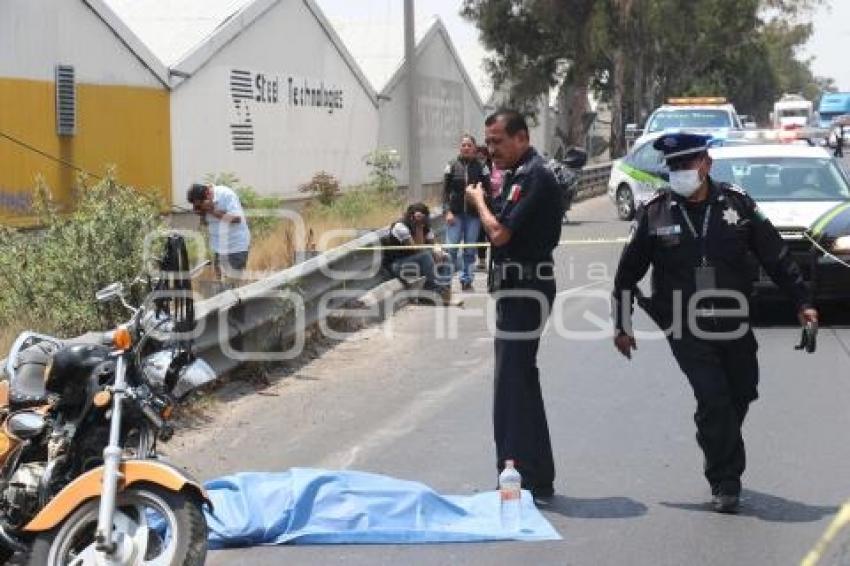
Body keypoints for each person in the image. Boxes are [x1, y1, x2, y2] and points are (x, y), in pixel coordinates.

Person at [611, 132, 819, 513]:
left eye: (686, 165)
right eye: (672, 167)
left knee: (742, 391)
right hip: (683, 323)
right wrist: (621, 325)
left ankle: (714, 436)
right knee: (713, 396)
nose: (678, 173)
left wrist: (802, 301)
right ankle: (725, 479)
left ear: (706, 164)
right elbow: (627, 274)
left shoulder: (737, 205)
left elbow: (775, 255)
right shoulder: (655, 212)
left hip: (733, 318)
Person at [465, 109, 563, 502]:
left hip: (526, 289)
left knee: (510, 385)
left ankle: (515, 474)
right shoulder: (515, 176)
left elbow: (500, 233)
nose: (492, 149)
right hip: (516, 289)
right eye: (488, 142)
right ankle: (535, 475)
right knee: (521, 382)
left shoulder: (533, 175)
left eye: (499, 141)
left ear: (522, 138)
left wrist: (477, 201)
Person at [443, 134, 491, 291]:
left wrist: (483, 202)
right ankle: (445, 282)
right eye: (463, 145)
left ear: (475, 148)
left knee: (470, 249)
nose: (466, 148)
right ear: (460, 148)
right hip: (455, 214)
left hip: (473, 215)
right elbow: (444, 192)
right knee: (450, 249)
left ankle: (467, 279)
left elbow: (488, 190)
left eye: (469, 145)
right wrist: (447, 211)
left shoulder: (482, 166)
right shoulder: (451, 165)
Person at [381, 202, 451, 304]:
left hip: (415, 263)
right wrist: (419, 226)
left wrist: (438, 250)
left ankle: (434, 293)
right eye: (419, 217)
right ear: (411, 216)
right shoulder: (400, 227)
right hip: (397, 265)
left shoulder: (425, 226)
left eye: (424, 217)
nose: (422, 220)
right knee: (425, 256)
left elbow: (434, 242)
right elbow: (417, 249)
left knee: (446, 257)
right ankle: (440, 291)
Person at [187, 182, 251, 284]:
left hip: (236, 247)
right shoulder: (204, 202)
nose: (201, 206)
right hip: (218, 248)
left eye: (201, 203)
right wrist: (202, 213)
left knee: (232, 283)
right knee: (220, 283)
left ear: (208, 193)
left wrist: (212, 211)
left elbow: (237, 219)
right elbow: (205, 224)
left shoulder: (226, 194)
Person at [475, 145, 493, 271]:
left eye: (483, 156)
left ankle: (496, 259)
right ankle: (482, 260)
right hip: (481, 203)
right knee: (480, 233)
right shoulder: (477, 168)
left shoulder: (497, 167)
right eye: (479, 156)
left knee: (493, 232)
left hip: (496, 204)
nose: (481, 158)